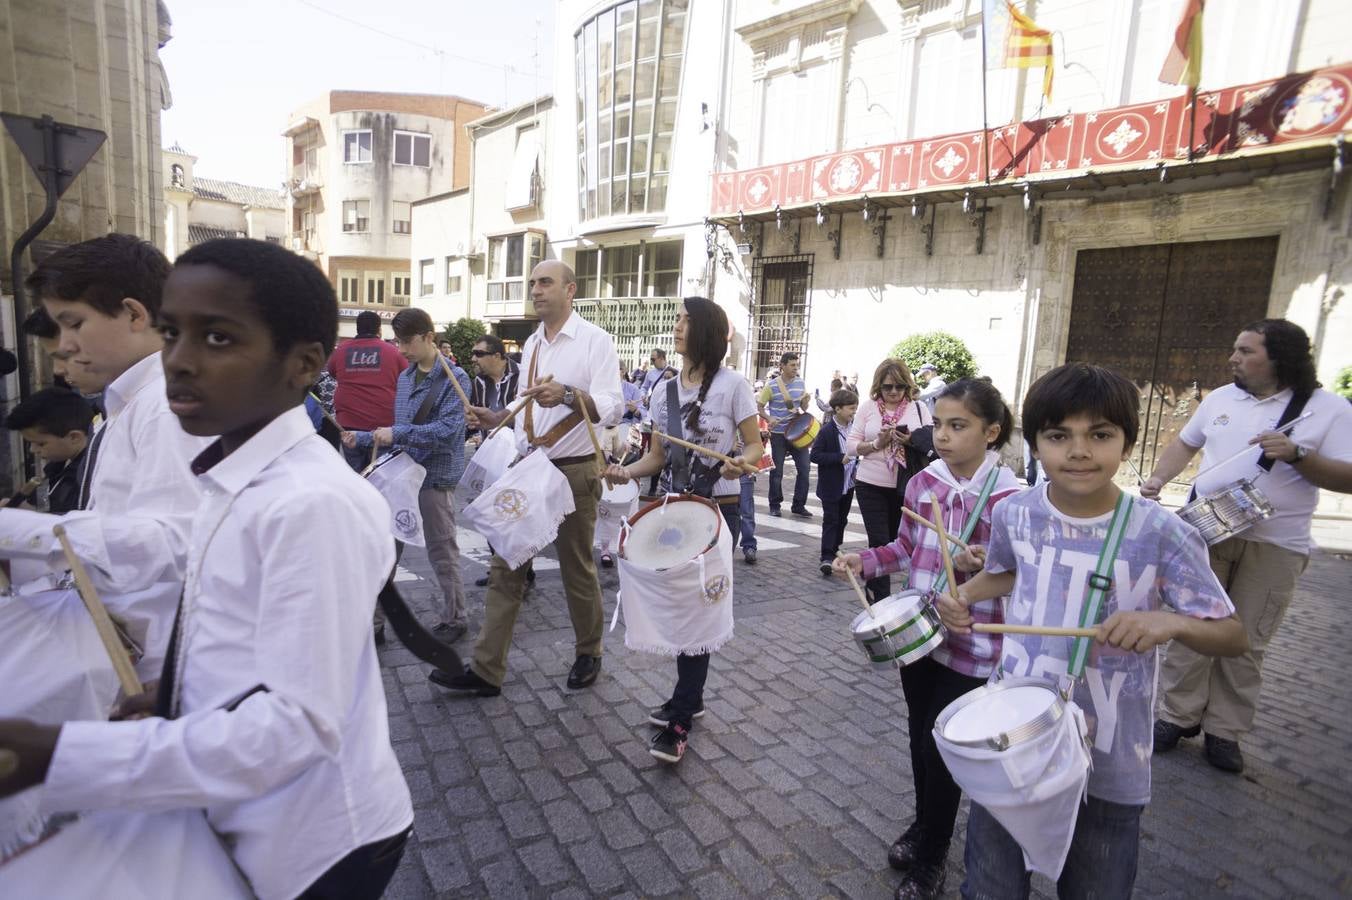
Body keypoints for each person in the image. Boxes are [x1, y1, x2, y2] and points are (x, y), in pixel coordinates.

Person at [0, 237, 413, 900]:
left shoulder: (307, 502)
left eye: (217, 339)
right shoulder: (232, 476)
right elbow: (229, 630)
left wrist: (57, 756)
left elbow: (296, 726)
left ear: (303, 364)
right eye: (171, 334)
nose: (179, 362)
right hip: (248, 820)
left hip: (315, 843)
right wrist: (174, 696)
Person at [936, 363, 1247, 899]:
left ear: (1127, 443)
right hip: (1016, 738)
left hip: (1109, 751)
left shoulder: (1163, 532)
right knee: (990, 886)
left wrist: (1168, 620)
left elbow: (1232, 634)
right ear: (1034, 444)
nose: (1078, 451)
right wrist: (963, 596)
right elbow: (1009, 572)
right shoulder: (1015, 513)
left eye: (1099, 434)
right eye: (1059, 436)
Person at [835, 378, 1021, 899]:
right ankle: (924, 826)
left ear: (992, 432)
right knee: (920, 742)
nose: (941, 435)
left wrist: (978, 564)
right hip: (921, 638)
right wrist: (863, 559)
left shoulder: (1011, 499)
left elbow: (1016, 574)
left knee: (942, 753)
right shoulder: (923, 484)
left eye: (957, 426)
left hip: (976, 644)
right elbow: (902, 546)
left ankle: (934, 855)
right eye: (937, 424)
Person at [1142, 319, 1352, 773]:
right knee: (1190, 628)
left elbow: (1349, 477)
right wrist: (1160, 477)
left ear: (1278, 358)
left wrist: (1298, 455)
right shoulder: (1220, 398)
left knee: (1248, 642)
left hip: (1276, 545)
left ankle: (1224, 731)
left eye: (1245, 351)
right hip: (1209, 533)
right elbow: (1184, 443)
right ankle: (1176, 716)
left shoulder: (1326, 409)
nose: (1233, 358)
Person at [0, 235, 207, 664]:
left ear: (134, 313)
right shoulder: (133, 402)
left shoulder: (168, 405)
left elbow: (177, 540)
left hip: (166, 666)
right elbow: (117, 526)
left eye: (74, 324)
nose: (63, 347)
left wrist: (21, 533)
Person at [433, 260, 622, 697]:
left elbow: (613, 406)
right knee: (505, 566)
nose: (536, 290)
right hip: (530, 469)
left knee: (577, 568)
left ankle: (589, 651)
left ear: (570, 290)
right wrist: (497, 417)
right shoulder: (533, 343)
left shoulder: (595, 341)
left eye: (545, 283)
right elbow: (526, 410)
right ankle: (486, 670)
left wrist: (570, 395)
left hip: (574, 470)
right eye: (533, 282)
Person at [602, 297, 763, 763]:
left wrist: (741, 462)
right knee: (680, 606)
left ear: (707, 331)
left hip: (717, 509)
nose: (675, 329)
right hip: (674, 509)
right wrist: (625, 473)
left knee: (700, 610)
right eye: (677, 321)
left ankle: (681, 717)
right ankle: (688, 696)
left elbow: (753, 446)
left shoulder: (734, 386)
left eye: (685, 322)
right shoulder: (663, 391)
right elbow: (655, 456)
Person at [342, 308, 473, 642]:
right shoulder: (404, 377)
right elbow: (397, 430)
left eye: (406, 341)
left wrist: (394, 434)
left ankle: (455, 618)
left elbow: (446, 431)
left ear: (429, 336)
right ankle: (375, 623)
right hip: (400, 477)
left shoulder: (456, 379)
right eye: (397, 341)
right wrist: (364, 437)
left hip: (434, 477)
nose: (400, 349)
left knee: (442, 550)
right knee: (385, 548)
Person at [846, 358, 930, 601]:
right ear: (878, 387)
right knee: (879, 540)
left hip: (906, 486)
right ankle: (880, 599)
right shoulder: (868, 408)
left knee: (898, 542)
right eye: (887, 387)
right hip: (870, 483)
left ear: (907, 386)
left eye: (899, 387)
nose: (893, 392)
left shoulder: (918, 409)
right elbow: (851, 446)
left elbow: (931, 440)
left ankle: (896, 592)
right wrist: (876, 444)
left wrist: (910, 440)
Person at [466, 332, 532, 589]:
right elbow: (477, 414)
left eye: (479, 354)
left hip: (518, 456)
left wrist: (499, 419)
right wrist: (473, 422)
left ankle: (523, 574)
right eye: (473, 354)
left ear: (497, 355)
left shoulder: (522, 376)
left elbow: (530, 414)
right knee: (493, 513)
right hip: (491, 454)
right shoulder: (478, 382)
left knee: (517, 515)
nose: (474, 358)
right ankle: (499, 568)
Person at [326, 310, 405, 472]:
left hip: (348, 424)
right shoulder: (393, 352)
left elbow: (332, 372)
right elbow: (405, 378)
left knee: (355, 476)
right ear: (379, 330)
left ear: (357, 328)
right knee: (380, 477)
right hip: (382, 426)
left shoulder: (340, 350)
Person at [4, 387, 96, 515]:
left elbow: (75, 526)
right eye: (30, 443)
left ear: (74, 437)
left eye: (40, 443)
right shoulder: (60, 464)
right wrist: (29, 513)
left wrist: (32, 519)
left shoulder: (89, 478)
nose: (33, 450)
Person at [758, 351, 813, 517]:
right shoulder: (772, 386)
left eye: (797, 365)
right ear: (782, 366)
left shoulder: (801, 383)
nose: (795, 368)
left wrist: (805, 402)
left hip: (797, 432)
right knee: (777, 471)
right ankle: (775, 504)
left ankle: (799, 505)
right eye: (792, 365)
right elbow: (759, 406)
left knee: (804, 469)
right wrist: (768, 417)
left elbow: (804, 409)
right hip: (779, 434)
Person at [811, 388, 859, 575]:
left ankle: (836, 548)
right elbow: (815, 455)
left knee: (842, 519)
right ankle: (826, 556)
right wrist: (839, 458)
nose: (853, 412)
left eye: (855, 409)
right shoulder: (826, 431)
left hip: (848, 483)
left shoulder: (855, 428)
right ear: (838, 409)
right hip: (831, 484)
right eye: (850, 408)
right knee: (831, 520)